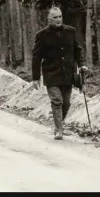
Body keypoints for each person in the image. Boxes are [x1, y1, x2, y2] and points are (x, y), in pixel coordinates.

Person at [32, 7, 88, 140]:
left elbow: (77, 50)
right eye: (55, 17)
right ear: (49, 19)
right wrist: (35, 78)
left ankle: (58, 124)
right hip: (51, 74)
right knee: (57, 101)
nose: (58, 20)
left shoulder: (70, 31)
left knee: (66, 103)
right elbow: (36, 57)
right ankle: (59, 130)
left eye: (60, 17)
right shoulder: (42, 35)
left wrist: (82, 65)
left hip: (68, 74)